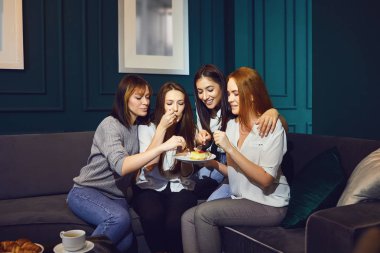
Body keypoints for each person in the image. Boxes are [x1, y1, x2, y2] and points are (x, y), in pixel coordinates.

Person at [67, 75, 185, 253]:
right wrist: (164, 146)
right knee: (119, 218)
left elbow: (149, 161)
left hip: (116, 196)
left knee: (127, 243)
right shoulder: (110, 125)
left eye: (147, 97)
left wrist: (161, 129)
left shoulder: (136, 128)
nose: (145, 102)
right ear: (124, 98)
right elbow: (121, 166)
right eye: (138, 98)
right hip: (87, 191)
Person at [181, 67, 290, 253]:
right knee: (187, 218)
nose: (229, 98)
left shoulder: (271, 126)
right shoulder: (231, 125)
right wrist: (211, 163)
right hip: (241, 197)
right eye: (229, 93)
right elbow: (233, 173)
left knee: (204, 214)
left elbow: (265, 180)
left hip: (269, 203)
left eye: (235, 94)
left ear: (252, 95)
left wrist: (230, 148)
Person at [192, 64, 288, 200]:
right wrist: (200, 139)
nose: (205, 96)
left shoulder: (235, 105)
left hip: (234, 161)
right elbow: (203, 137)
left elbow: (279, 125)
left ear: (222, 86)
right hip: (219, 159)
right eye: (200, 91)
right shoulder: (201, 107)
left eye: (210, 89)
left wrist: (273, 113)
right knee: (192, 186)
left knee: (206, 200)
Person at [132, 82, 198, 253]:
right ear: (162, 104)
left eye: (180, 103)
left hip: (180, 186)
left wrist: (184, 152)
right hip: (150, 186)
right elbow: (148, 166)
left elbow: (187, 172)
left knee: (174, 222)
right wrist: (161, 128)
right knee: (152, 216)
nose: (175, 109)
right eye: (169, 103)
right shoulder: (146, 128)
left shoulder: (190, 129)